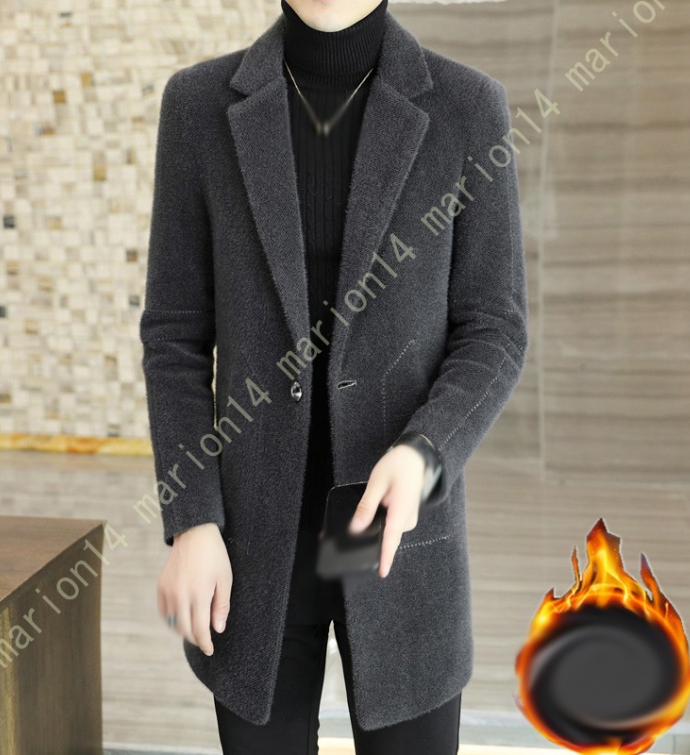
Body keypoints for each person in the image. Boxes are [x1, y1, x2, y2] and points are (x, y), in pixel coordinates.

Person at [140, 0, 528, 752]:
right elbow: (175, 337)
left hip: (390, 528)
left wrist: (426, 452)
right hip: (254, 542)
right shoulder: (198, 106)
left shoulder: (467, 107)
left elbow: (494, 328)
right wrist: (192, 518)